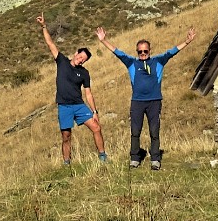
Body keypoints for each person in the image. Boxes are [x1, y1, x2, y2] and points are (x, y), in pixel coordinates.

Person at [94, 25, 196, 170]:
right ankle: (135, 158)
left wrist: (187, 41)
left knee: (154, 131)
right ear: (137, 52)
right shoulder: (132, 62)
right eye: (140, 51)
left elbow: (172, 51)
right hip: (137, 102)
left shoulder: (158, 61)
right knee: (135, 131)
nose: (143, 53)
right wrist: (104, 40)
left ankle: (155, 159)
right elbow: (117, 52)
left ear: (150, 50)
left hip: (154, 102)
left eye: (145, 51)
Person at [38, 13, 107, 165]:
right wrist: (44, 26)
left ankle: (103, 156)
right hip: (64, 106)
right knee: (66, 136)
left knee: (96, 127)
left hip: (79, 105)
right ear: (76, 53)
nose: (81, 59)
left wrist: (94, 111)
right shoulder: (62, 61)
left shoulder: (84, 73)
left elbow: (88, 93)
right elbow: (50, 44)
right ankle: (66, 162)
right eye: (80, 56)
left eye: (84, 59)